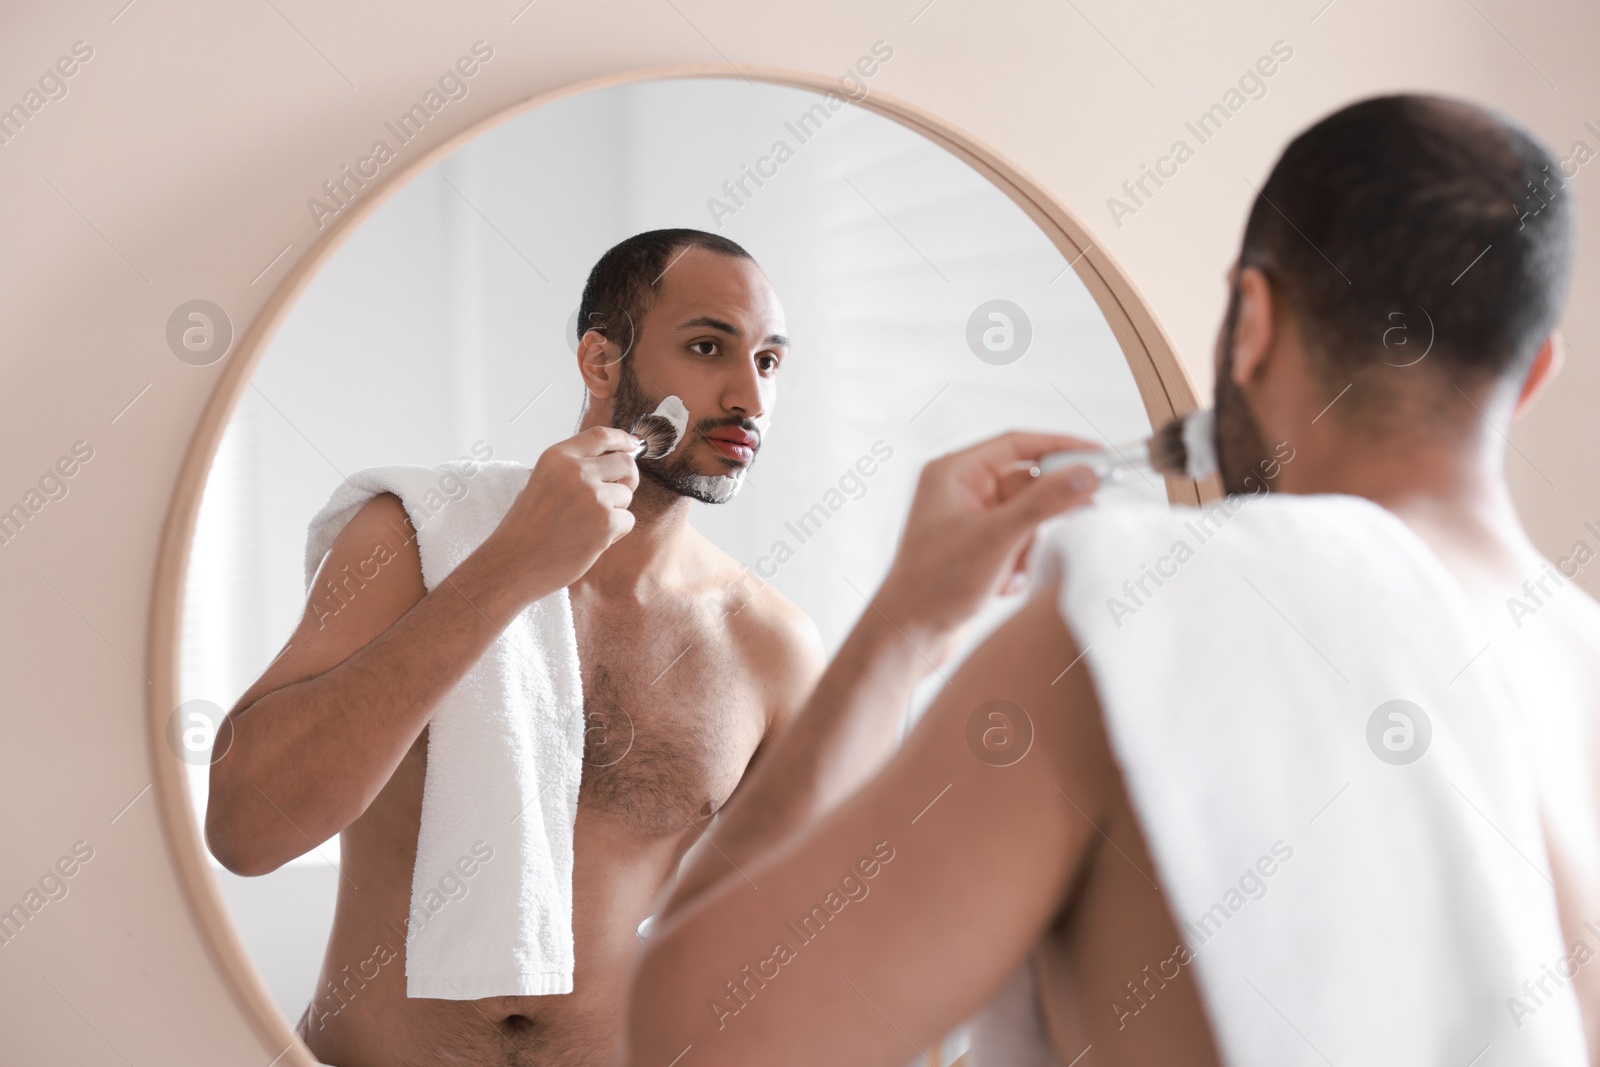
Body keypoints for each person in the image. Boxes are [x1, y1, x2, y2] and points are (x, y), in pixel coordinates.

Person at [626, 95, 1600, 1066]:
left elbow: (698, 1032)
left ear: (1253, 318)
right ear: (1531, 375)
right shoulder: (1575, 664)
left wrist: (906, 623)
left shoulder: (1166, 607)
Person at [204, 229, 1023, 1067]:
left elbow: (826, 939)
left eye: (770, 362)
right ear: (602, 363)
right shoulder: (412, 538)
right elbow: (243, 828)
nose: (750, 395)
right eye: (710, 347)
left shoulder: (767, 645)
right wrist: (508, 573)